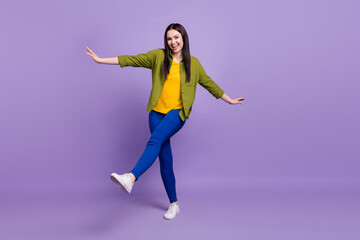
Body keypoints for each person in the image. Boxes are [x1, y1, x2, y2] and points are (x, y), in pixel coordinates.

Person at [86, 23, 245, 220]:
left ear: (183, 38)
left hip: (177, 113)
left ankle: (130, 177)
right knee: (165, 159)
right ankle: (174, 204)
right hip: (155, 113)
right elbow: (132, 60)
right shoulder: (158, 57)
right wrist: (101, 60)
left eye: (176, 37)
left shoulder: (193, 64)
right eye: (169, 38)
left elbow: (209, 84)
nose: (173, 42)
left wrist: (229, 99)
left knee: (156, 139)